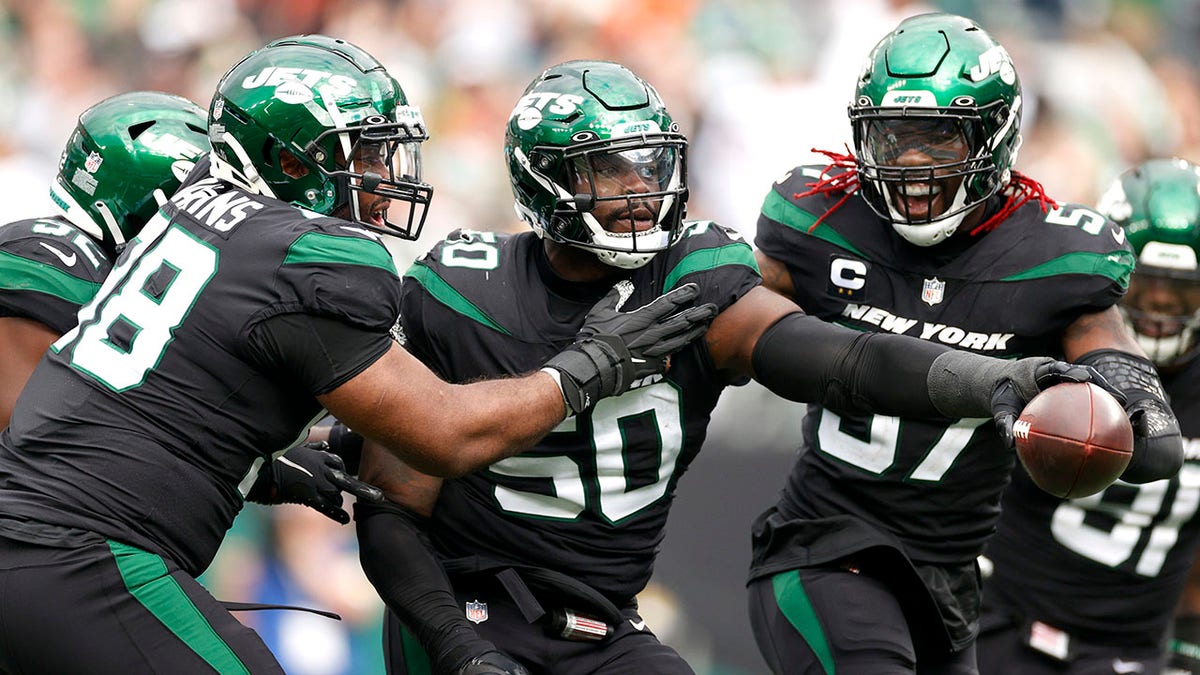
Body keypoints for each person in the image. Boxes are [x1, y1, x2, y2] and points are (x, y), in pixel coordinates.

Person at [350, 59, 1119, 675]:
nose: (638, 191)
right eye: (608, 170)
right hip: (470, 606)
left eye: (649, 164)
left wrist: (993, 379)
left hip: (606, 619)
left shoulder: (696, 273)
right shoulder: (462, 289)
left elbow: (837, 357)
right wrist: (458, 646)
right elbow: (394, 507)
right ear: (543, 177)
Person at [0, 36, 715, 675]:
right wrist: (590, 364)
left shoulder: (194, 214)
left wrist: (267, 468)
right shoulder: (307, 251)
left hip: (35, 537)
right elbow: (445, 431)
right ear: (287, 157)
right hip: (84, 554)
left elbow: (154, 402)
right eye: (366, 153)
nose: (384, 174)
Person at [746, 13, 1184, 675]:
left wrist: (1129, 399)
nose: (914, 165)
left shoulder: (1055, 256)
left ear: (998, 136)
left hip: (948, 581)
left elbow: (1147, 428)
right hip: (827, 547)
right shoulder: (819, 220)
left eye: (939, 137)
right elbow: (733, 328)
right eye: (894, 138)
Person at [977, 158, 1200, 673]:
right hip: (1004, 626)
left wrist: (1187, 647)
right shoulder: (1054, 343)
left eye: (1182, 286)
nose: (1162, 302)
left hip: (1129, 654)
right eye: (1148, 282)